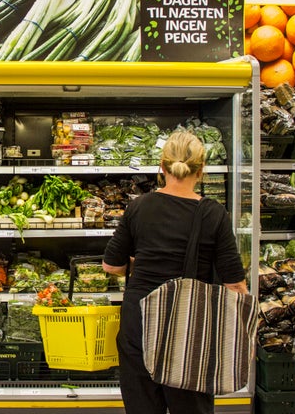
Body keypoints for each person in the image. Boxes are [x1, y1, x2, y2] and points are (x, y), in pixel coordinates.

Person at [102, 130, 248, 414]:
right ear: (201, 168)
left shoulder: (138, 207)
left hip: (140, 323)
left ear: (162, 166)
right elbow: (235, 285)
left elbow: (112, 266)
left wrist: (140, 262)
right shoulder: (214, 213)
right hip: (189, 327)